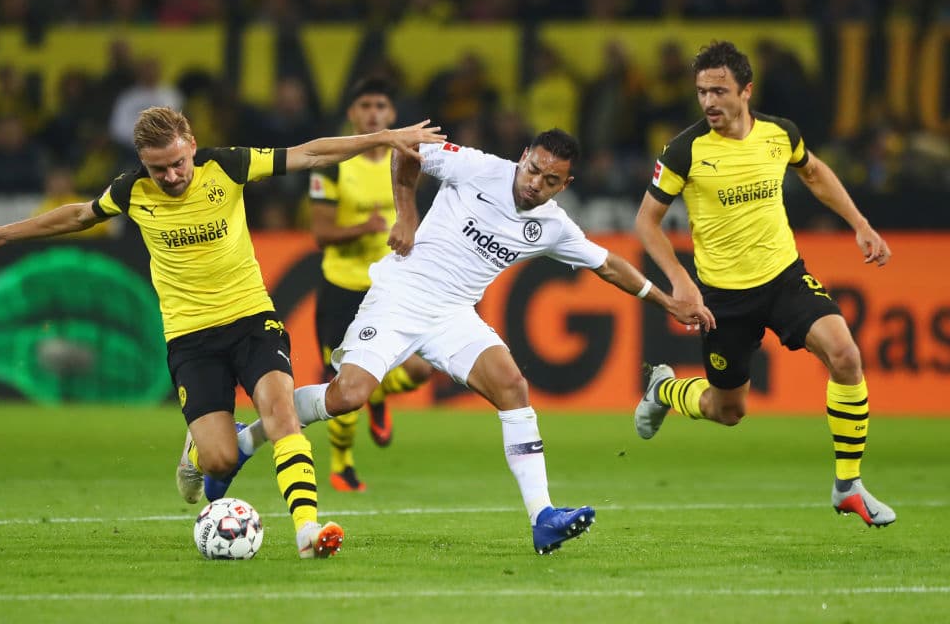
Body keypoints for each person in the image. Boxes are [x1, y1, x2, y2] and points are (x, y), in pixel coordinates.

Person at [0, 106, 445, 558]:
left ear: (191, 144)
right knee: (219, 461)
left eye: (176, 163)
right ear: (142, 165)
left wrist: (383, 137)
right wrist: (7, 233)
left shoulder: (227, 166)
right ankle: (201, 445)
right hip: (191, 339)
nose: (171, 177)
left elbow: (311, 153)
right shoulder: (132, 191)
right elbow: (77, 215)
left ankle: (307, 529)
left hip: (252, 318)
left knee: (281, 414)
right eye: (159, 169)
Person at [291, 129, 714, 554]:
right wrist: (406, 215)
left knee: (512, 386)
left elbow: (608, 265)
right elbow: (410, 150)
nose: (536, 183)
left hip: (453, 313)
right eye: (533, 169)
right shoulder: (477, 168)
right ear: (524, 155)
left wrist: (667, 303)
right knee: (346, 397)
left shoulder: (552, 226)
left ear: (565, 185)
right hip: (401, 295)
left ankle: (542, 517)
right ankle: (258, 430)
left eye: (551, 181)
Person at [632, 41, 896, 527]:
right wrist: (680, 282)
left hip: (784, 278)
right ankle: (664, 389)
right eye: (701, 92)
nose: (709, 102)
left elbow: (813, 173)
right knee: (728, 410)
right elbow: (647, 223)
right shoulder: (685, 150)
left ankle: (848, 486)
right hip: (723, 298)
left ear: (746, 91)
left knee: (846, 355)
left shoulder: (779, 135)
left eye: (719, 91)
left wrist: (859, 223)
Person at [306, 77, 435, 492]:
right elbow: (321, 232)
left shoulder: (408, 161)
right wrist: (366, 226)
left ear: (392, 115)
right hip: (342, 288)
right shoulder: (333, 164)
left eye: (381, 105)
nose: (374, 113)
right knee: (343, 384)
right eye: (365, 105)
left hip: (390, 288)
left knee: (420, 369)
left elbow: (417, 216)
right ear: (352, 114)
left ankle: (377, 394)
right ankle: (342, 465)